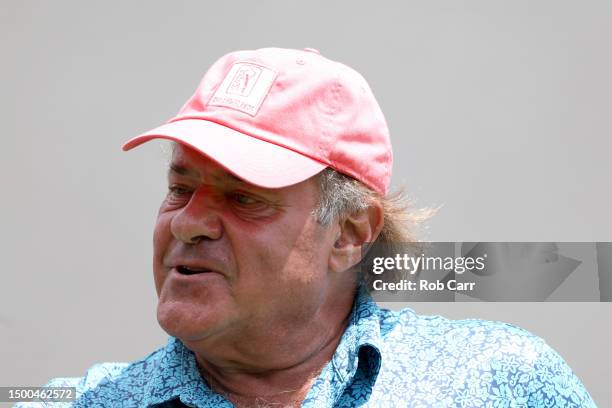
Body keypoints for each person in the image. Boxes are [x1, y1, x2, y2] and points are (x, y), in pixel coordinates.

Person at [20, 47, 597, 407]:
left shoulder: (493, 383)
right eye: (179, 187)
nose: (190, 221)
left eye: (244, 197)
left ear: (349, 234)